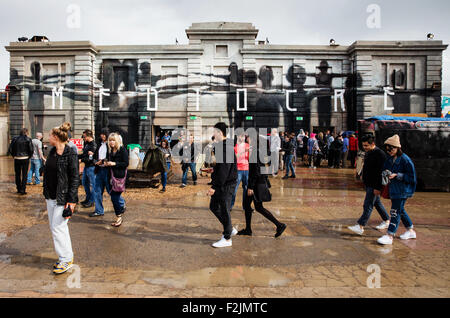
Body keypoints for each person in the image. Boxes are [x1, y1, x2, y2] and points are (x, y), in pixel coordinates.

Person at [42, 122, 79, 274]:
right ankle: (64, 256)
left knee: (59, 228)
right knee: (55, 228)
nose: (48, 138)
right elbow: (50, 168)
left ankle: (66, 259)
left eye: (50, 135)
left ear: (56, 137)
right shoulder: (51, 151)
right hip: (50, 195)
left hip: (63, 197)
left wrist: (71, 201)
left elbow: (75, 178)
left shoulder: (70, 153)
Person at [238, 136, 287, 238]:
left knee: (257, 207)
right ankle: (248, 229)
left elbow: (255, 171)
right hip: (257, 182)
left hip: (255, 184)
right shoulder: (257, 151)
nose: (247, 139)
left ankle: (279, 225)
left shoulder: (255, 152)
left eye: (248, 138)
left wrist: (250, 187)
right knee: (250, 206)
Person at [377, 135, 417, 245]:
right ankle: (410, 230)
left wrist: (397, 175)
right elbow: (384, 170)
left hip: (402, 191)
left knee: (394, 212)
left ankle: (390, 235)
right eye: (388, 149)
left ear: (398, 148)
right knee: (400, 210)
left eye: (392, 149)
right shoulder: (390, 159)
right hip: (394, 190)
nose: (389, 151)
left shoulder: (406, 160)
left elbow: (412, 178)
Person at [348, 135, 390, 236]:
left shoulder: (380, 154)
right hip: (368, 183)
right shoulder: (369, 152)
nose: (365, 147)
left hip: (374, 185)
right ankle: (387, 220)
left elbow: (381, 172)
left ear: (372, 144)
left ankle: (361, 226)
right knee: (376, 203)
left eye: (366, 145)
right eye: (363, 145)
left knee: (368, 205)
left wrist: (378, 187)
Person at [206, 122, 238, 248]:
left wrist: (214, 186)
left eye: (214, 132)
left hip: (226, 184)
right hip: (224, 182)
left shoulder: (225, 148)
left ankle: (227, 238)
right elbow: (222, 167)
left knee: (224, 209)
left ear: (220, 133)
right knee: (214, 206)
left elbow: (224, 170)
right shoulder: (222, 146)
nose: (213, 134)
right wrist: (214, 170)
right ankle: (229, 228)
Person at [104, 133, 129, 227]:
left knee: (114, 197)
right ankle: (120, 211)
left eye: (113, 140)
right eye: (110, 140)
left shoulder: (122, 150)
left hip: (119, 177)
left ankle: (119, 217)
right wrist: (105, 163)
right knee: (114, 197)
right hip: (111, 177)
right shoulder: (110, 151)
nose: (111, 142)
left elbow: (126, 163)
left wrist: (114, 163)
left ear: (117, 141)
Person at [91, 129, 109, 217]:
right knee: (96, 190)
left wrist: (102, 161)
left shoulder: (110, 145)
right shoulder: (100, 145)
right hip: (99, 170)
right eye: (101, 134)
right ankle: (99, 210)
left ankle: (121, 204)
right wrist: (95, 161)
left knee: (110, 191)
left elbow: (110, 157)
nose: (102, 136)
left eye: (104, 134)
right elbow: (95, 156)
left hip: (107, 170)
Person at [9, 128, 33, 194]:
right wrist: (29, 156)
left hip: (17, 158)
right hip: (25, 158)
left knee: (17, 174)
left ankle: (18, 189)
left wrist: (14, 156)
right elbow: (31, 149)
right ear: (26, 132)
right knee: (25, 174)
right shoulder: (28, 139)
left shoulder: (14, 139)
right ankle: (23, 189)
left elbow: (10, 149)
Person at [231, 133, 250, 210]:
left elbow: (249, 158)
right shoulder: (235, 146)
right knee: (235, 188)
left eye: (243, 136)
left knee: (246, 188)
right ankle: (230, 205)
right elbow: (235, 157)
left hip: (247, 169)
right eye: (240, 136)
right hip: (238, 169)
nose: (242, 138)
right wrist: (243, 151)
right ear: (238, 137)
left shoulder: (248, 145)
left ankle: (245, 206)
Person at [79, 130, 97, 208]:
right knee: (84, 183)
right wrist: (77, 156)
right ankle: (88, 198)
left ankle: (91, 201)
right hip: (86, 167)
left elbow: (91, 158)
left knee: (92, 185)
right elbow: (84, 154)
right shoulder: (86, 144)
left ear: (89, 136)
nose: (83, 138)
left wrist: (81, 160)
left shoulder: (93, 145)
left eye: (84, 136)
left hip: (91, 167)